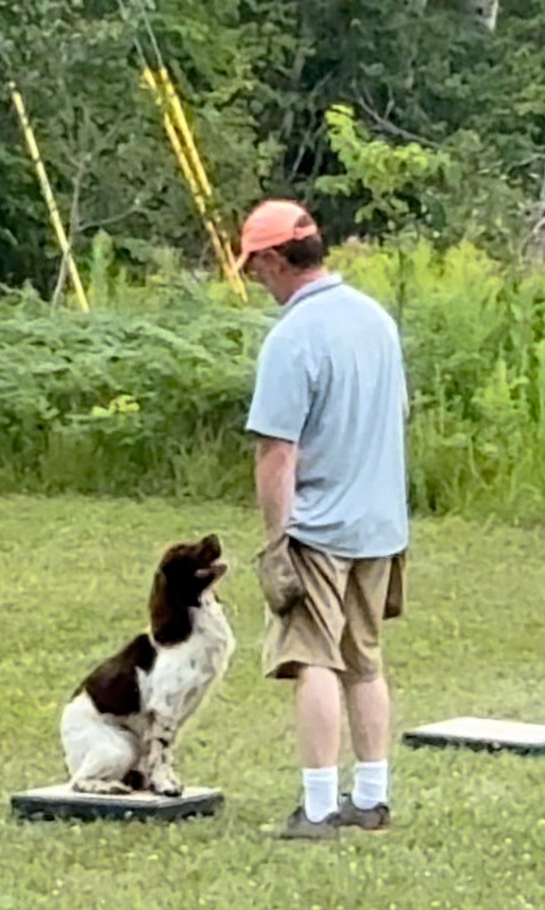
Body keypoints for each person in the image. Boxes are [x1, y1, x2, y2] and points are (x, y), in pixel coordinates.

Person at [235, 200, 411, 841]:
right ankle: (372, 797)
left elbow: (277, 450)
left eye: (256, 266)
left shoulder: (293, 336)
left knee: (312, 660)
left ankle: (315, 809)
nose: (256, 278)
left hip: (318, 527)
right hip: (381, 525)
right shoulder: (376, 320)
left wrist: (277, 538)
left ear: (277, 259)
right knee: (365, 660)